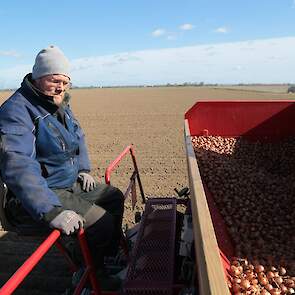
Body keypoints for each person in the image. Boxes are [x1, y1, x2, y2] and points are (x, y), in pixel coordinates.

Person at [0, 46, 125, 282]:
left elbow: (77, 135)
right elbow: (19, 165)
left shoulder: (58, 103)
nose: (61, 87)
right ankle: (90, 274)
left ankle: (107, 256)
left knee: (114, 197)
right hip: (42, 192)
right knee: (101, 224)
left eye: (66, 83)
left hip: (67, 181)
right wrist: (50, 210)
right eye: (54, 80)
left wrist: (83, 169)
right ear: (37, 76)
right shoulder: (16, 111)